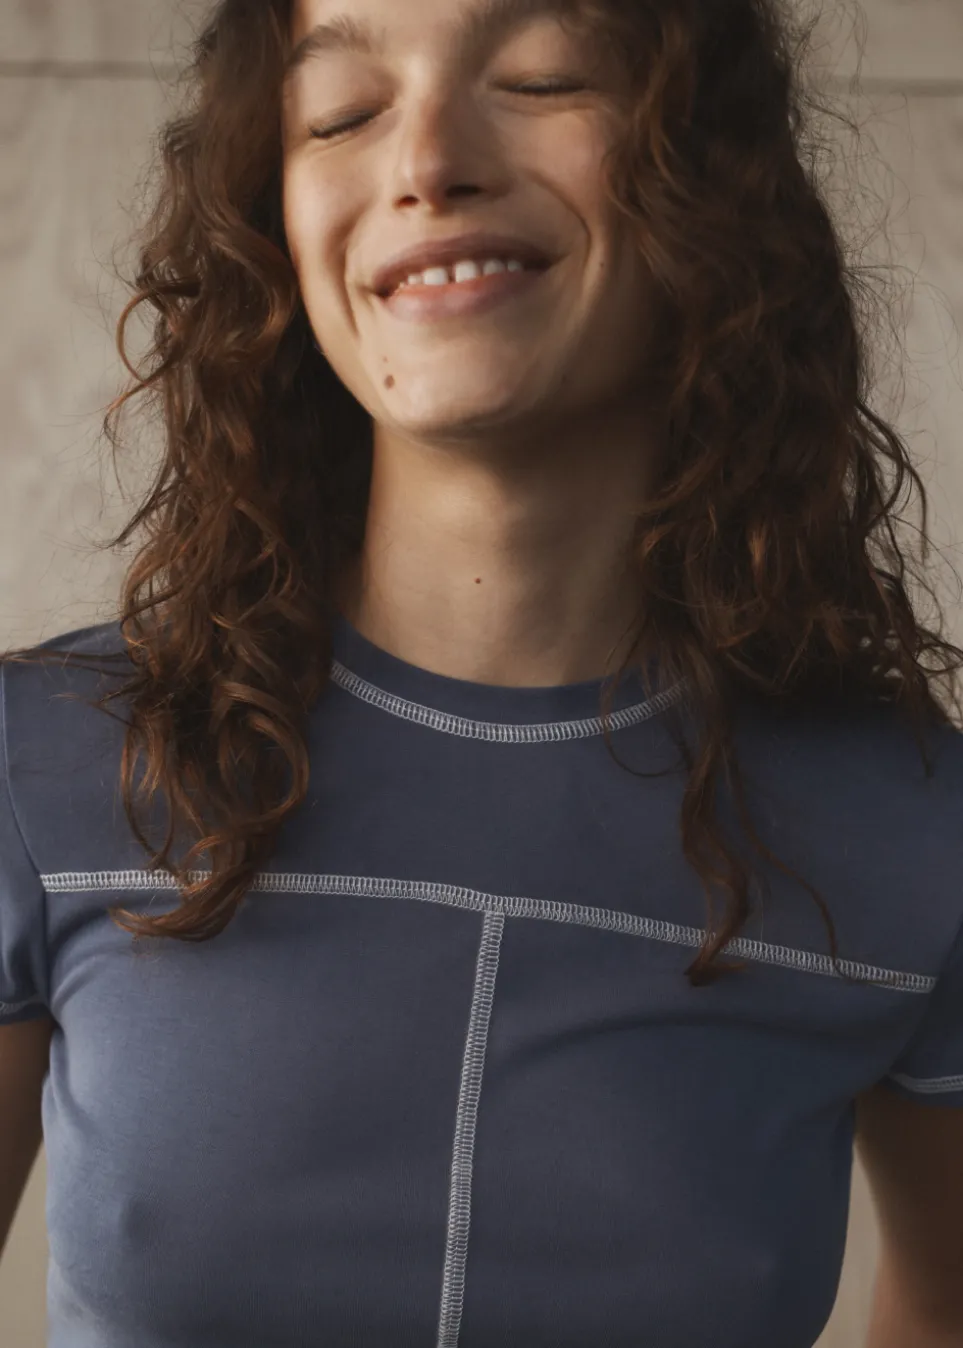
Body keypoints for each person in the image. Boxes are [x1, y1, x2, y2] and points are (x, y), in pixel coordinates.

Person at [2, 0, 963, 1344]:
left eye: (541, 78)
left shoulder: (917, 832)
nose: (426, 161)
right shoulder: (38, 765)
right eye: (341, 112)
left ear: (710, 172)